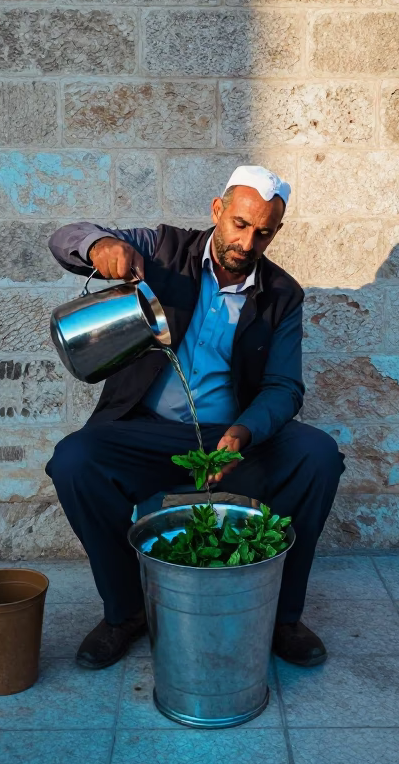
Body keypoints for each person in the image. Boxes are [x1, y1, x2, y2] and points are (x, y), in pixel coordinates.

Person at [46, 165, 345, 670]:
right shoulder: (161, 250)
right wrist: (98, 246)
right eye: (240, 224)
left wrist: (243, 432)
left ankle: (282, 616)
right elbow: (64, 237)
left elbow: (283, 387)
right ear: (217, 211)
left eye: (263, 232)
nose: (248, 242)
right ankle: (126, 612)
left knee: (317, 457)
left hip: (233, 441)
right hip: (145, 433)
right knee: (74, 462)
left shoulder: (281, 294)